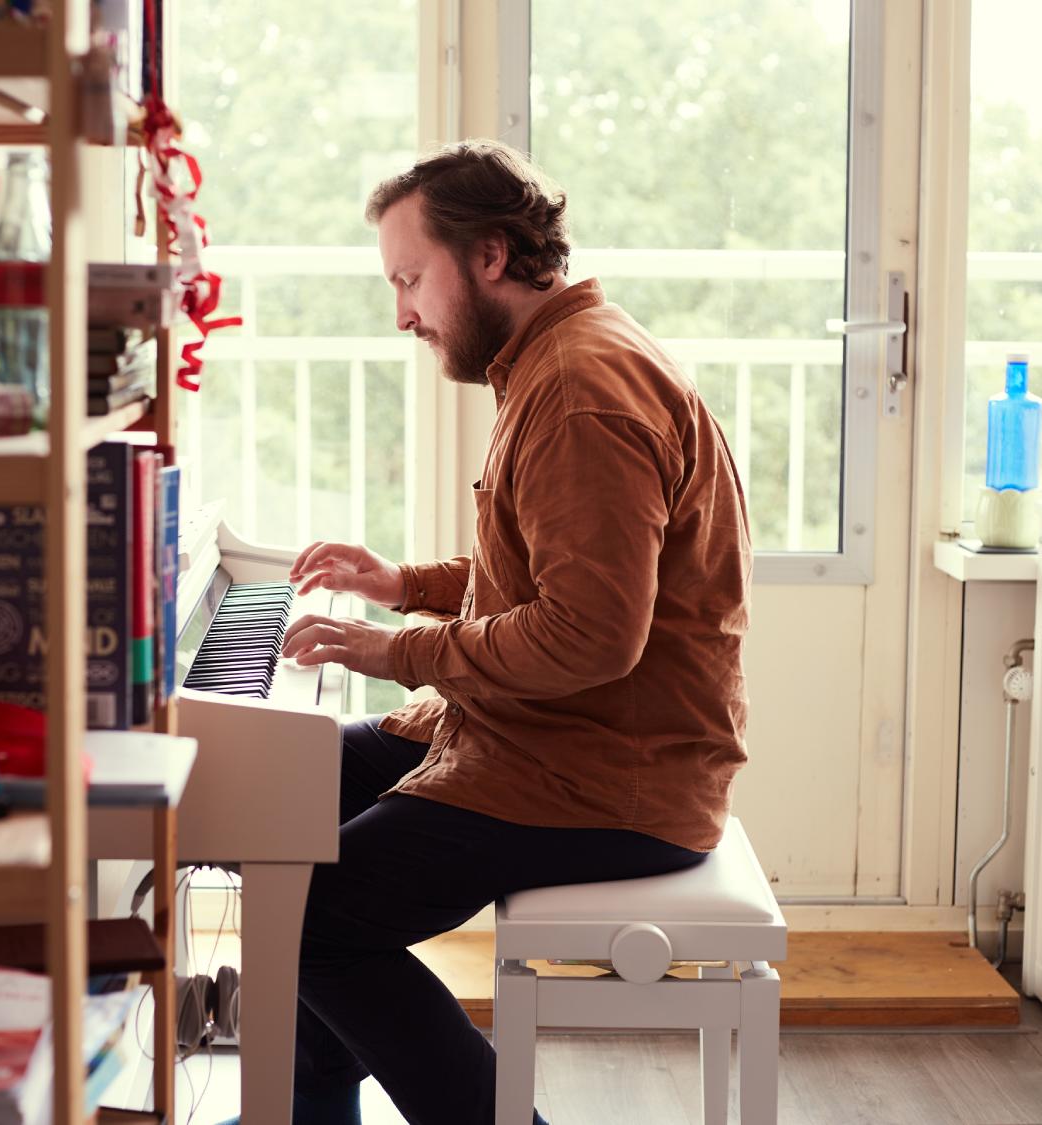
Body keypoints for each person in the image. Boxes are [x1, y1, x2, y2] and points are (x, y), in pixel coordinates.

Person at [240, 140, 750, 1125]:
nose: (402, 315)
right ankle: (307, 1111)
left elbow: (590, 635)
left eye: (410, 279)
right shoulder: (561, 355)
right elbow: (562, 577)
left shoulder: (578, 390)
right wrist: (403, 585)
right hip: (551, 742)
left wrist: (398, 655)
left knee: (304, 919)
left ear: (491, 255)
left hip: (603, 778)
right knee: (281, 792)